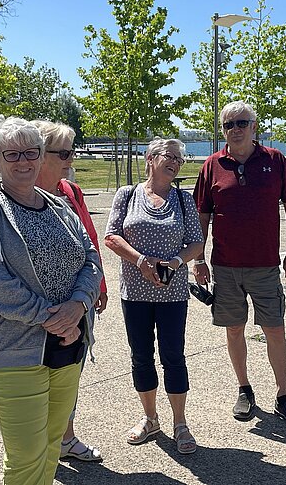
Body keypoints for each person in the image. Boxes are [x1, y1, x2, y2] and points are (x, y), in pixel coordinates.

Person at [0, 116, 103, 484]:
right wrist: (55, 319)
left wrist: (78, 306)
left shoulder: (58, 205)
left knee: (52, 445)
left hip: (67, 346)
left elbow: (90, 258)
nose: (23, 161)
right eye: (12, 154)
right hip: (13, 349)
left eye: (31, 152)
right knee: (25, 456)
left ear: (40, 156)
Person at [193, 100, 286, 427]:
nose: (235, 129)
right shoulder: (212, 165)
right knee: (234, 330)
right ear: (223, 130)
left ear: (254, 126)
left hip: (265, 265)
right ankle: (244, 389)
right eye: (229, 125)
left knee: (275, 329)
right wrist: (198, 259)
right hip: (225, 266)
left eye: (242, 123)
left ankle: (283, 396)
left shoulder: (275, 160)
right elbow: (202, 215)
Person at [104, 138, 204, 454]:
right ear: (150, 158)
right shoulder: (127, 195)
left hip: (172, 293)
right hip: (135, 293)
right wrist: (141, 262)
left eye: (179, 159)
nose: (175, 162)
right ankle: (150, 418)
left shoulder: (183, 200)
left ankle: (180, 423)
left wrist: (174, 263)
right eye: (169, 156)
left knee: (173, 356)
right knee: (141, 356)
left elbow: (197, 242)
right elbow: (111, 236)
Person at [33, 119, 108, 463]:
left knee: (70, 371)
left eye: (71, 152)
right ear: (40, 155)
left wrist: (98, 287)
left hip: (77, 302)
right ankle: (40, 447)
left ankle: (65, 438)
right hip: (39, 309)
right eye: (63, 153)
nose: (71, 159)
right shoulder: (20, 195)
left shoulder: (71, 191)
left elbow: (90, 239)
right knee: (37, 378)